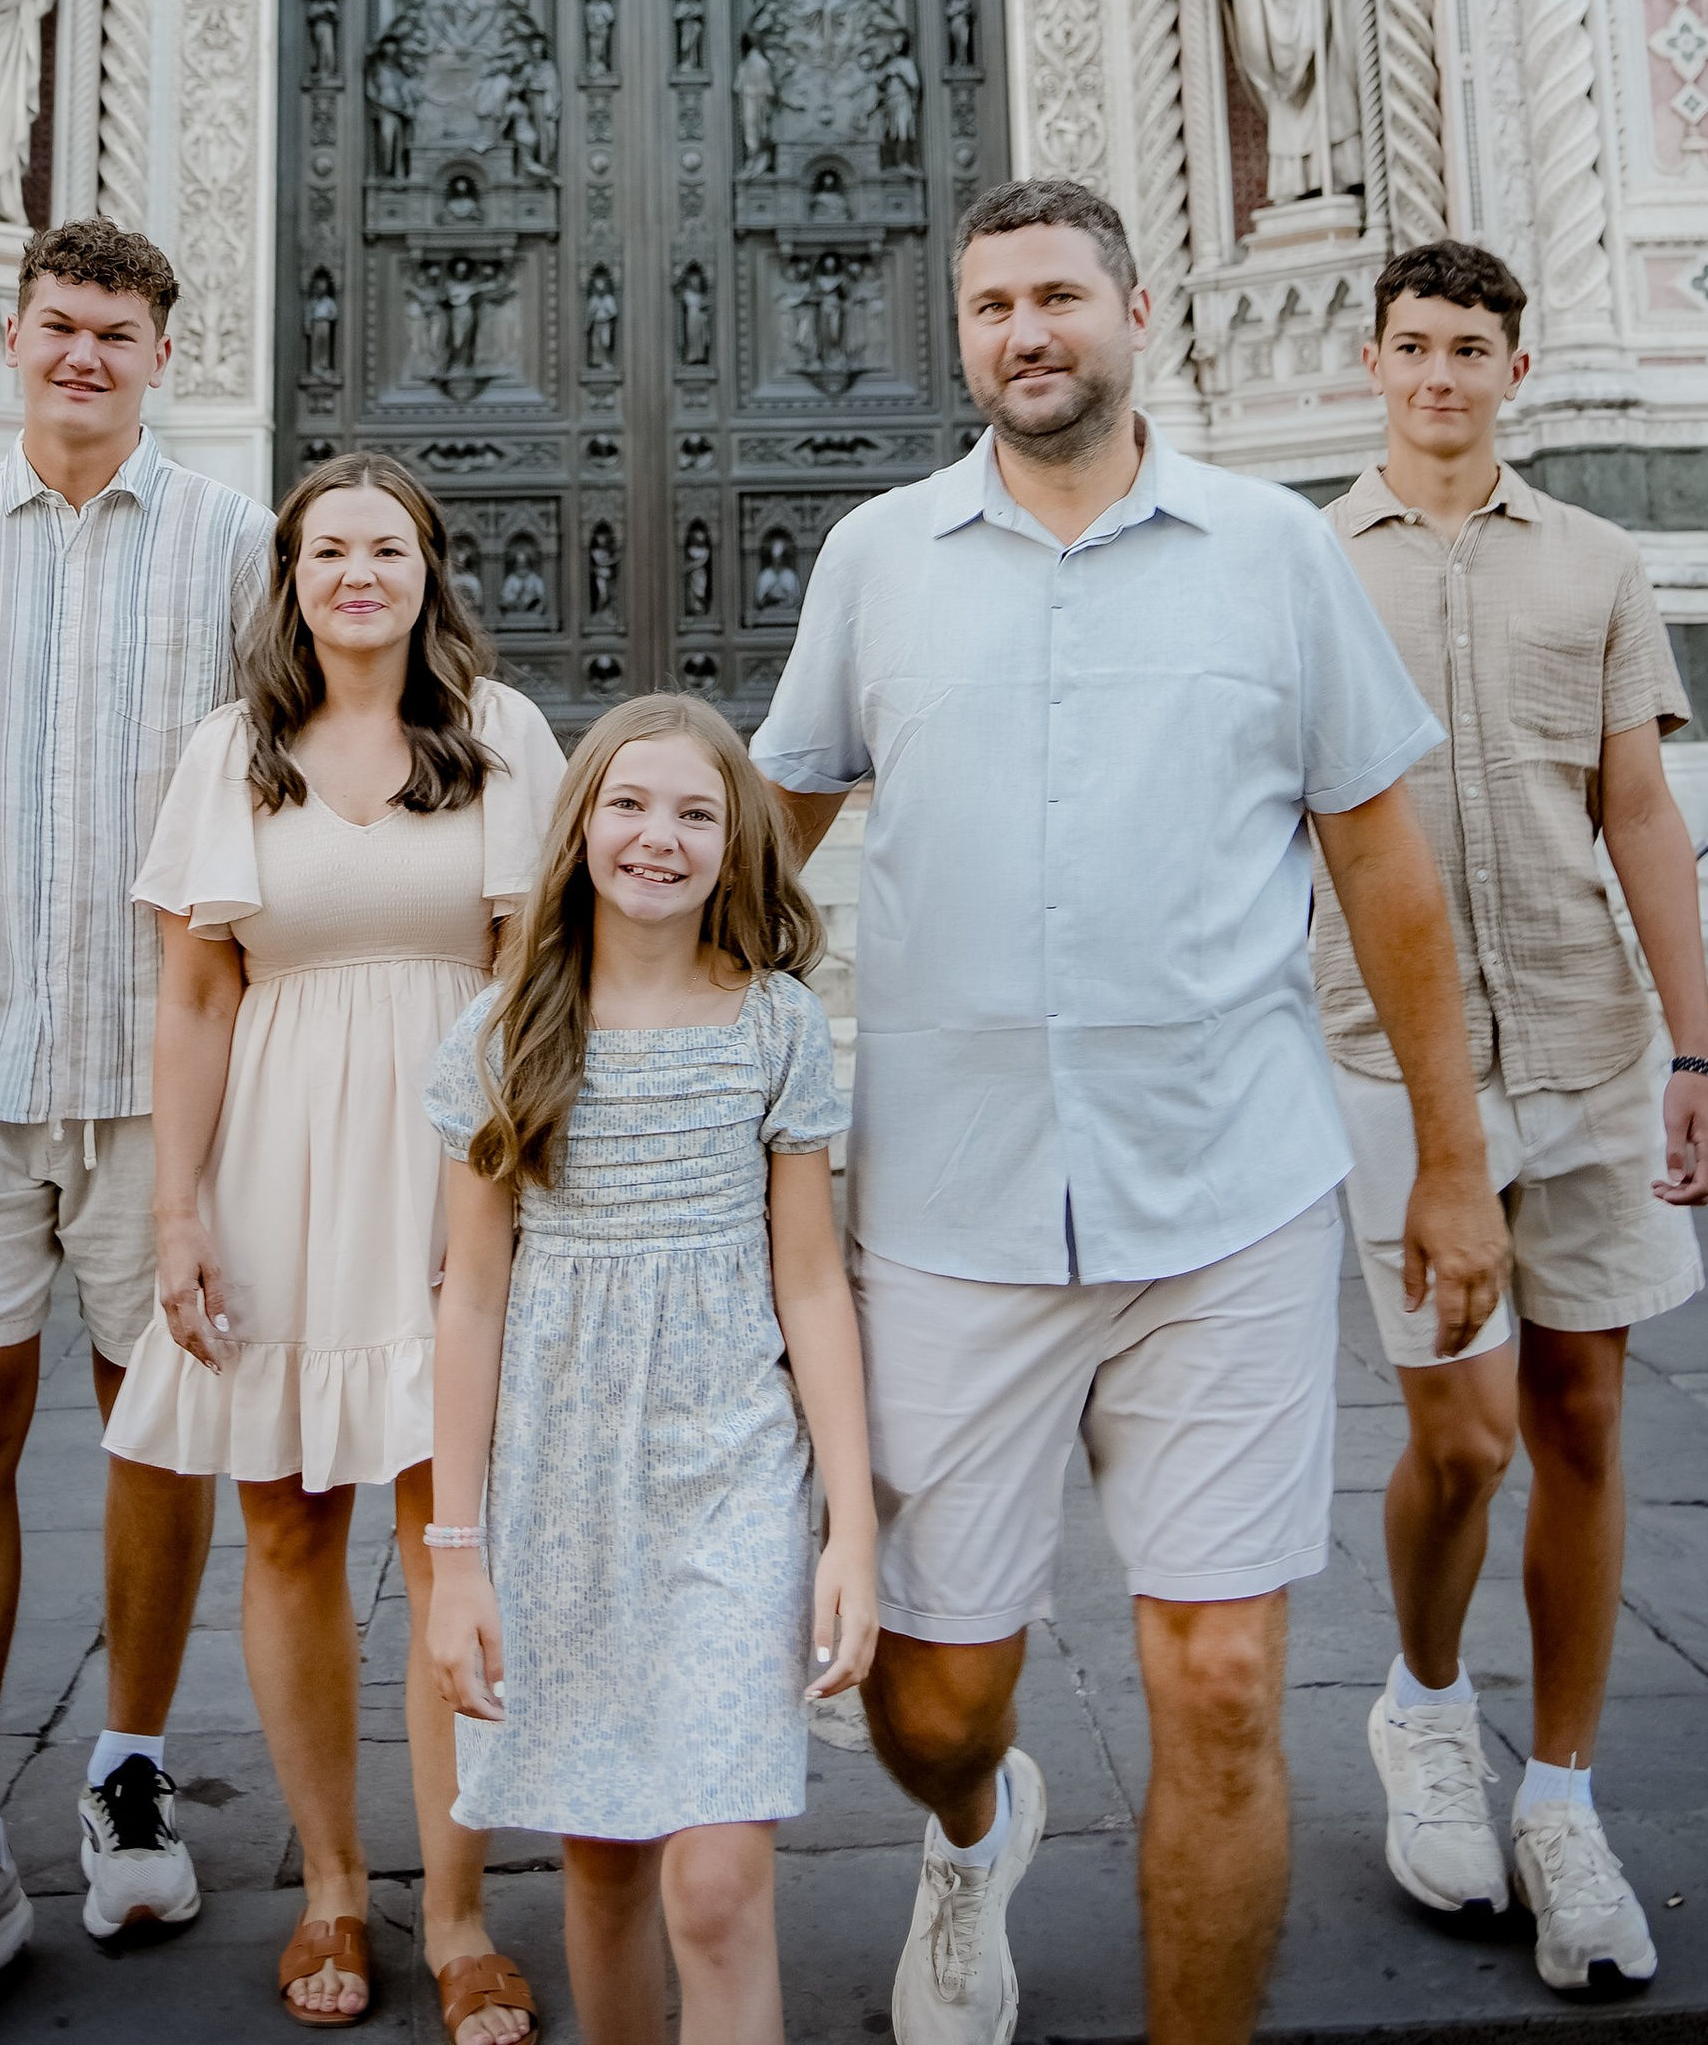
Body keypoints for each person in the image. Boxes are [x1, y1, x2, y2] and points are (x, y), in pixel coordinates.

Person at [756, 176, 1509, 2045]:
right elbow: (772, 832)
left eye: (1059, 297)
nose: (1026, 333)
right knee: (930, 1697)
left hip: (1226, 1194)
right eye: (992, 305)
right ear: (962, 334)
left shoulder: (1274, 552)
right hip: (953, 1212)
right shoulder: (878, 559)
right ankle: (976, 1824)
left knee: (1226, 1681)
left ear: (1141, 312)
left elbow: (1381, 865)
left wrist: (1452, 1163)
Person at [0, 223, 275, 2036]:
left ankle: (132, 1768)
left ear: (165, 356)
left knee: (153, 1422)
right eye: (60, 326)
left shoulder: (239, 546)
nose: (85, 355)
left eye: (119, 332)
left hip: (161, 1068)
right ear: (10, 338)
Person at [104, 455, 564, 2033]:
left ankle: (459, 1912)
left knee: (452, 1535)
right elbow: (195, 994)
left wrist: (496, 1195)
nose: (357, 574)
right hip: (275, 1170)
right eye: (328, 552)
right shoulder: (231, 751)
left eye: (387, 549)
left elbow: (529, 978)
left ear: (429, 573)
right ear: (291, 581)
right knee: (289, 1529)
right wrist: (177, 1208)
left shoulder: (498, 735)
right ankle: (328, 1888)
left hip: (453, 1166)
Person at [1321, 242, 1708, 1994]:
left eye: (1470, 348)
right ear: (1369, 362)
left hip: (1590, 1043)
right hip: (1395, 1066)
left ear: (1516, 369)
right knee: (1467, 1439)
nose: (1440, 374)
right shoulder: (1304, 569)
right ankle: (1423, 1705)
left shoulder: (1599, 563)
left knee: (1583, 1422)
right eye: (1413, 345)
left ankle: (1561, 1797)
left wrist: (1697, 1052)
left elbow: (1639, 811)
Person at [425, 697, 877, 2045]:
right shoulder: (502, 1036)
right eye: (629, 804)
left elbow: (813, 1282)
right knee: (607, 1863)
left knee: (717, 1886)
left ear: (736, 843)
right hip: (561, 1488)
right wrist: (456, 1558)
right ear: (580, 827)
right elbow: (471, 1304)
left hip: (729, 1471)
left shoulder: (775, 1027)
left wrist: (852, 1527)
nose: (657, 838)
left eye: (695, 813)